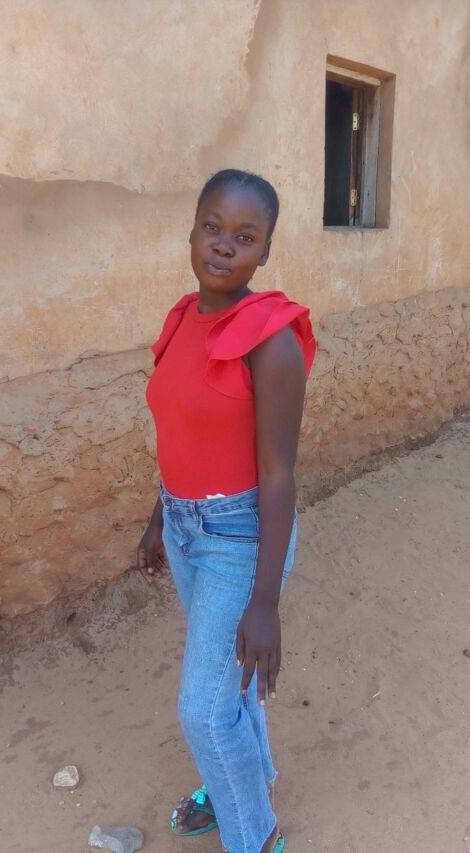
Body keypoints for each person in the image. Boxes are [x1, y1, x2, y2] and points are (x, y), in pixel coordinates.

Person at [137, 168, 316, 853]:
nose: (223, 245)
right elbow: (182, 429)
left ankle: (255, 836)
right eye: (212, 227)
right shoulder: (183, 318)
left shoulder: (271, 340)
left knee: (206, 712)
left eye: (244, 236)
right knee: (226, 689)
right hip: (185, 529)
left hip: (241, 537)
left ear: (265, 252)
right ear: (192, 232)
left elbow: (278, 475)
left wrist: (265, 601)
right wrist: (160, 517)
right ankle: (243, 782)